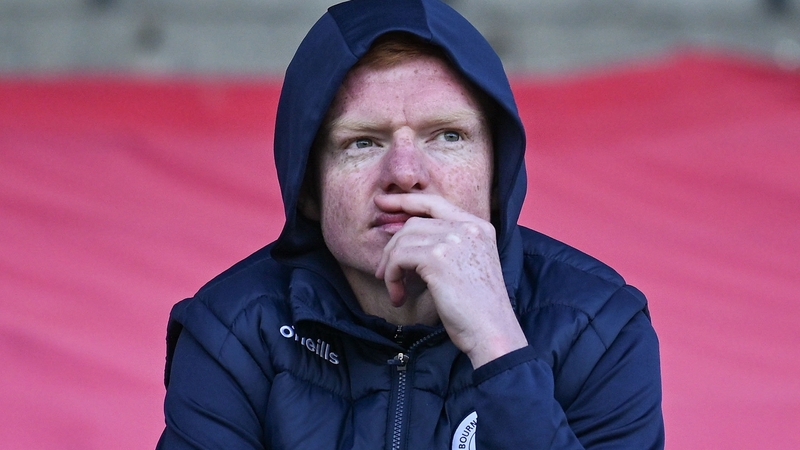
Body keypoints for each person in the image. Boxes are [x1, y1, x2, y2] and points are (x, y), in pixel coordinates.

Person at [157, 0, 665, 448]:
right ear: (308, 187)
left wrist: (497, 344)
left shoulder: (599, 328)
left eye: (447, 135)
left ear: (497, 174)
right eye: (362, 142)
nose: (404, 173)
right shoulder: (232, 331)